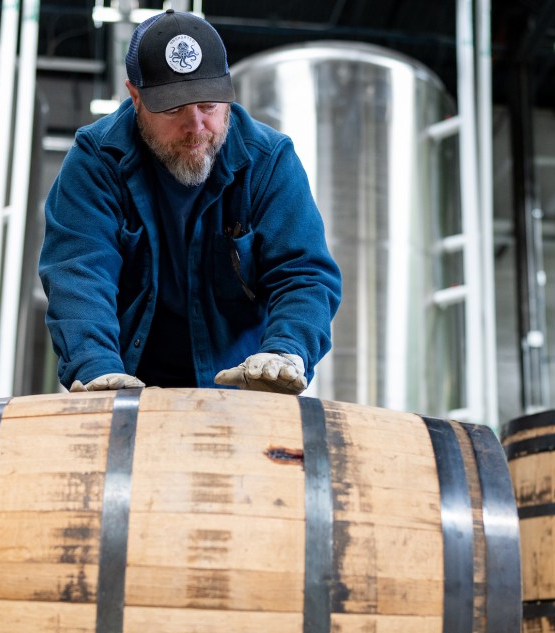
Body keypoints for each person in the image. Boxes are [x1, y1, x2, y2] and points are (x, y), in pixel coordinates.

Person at [39, 9, 341, 395]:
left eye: (209, 105)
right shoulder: (96, 163)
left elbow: (303, 274)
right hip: (126, 383)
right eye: (173, 108)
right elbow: (79, 273)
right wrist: (95, 367)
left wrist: (286, 351)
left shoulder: (269, 162)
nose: (196, 126)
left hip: (242, 390)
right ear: (135, 97)